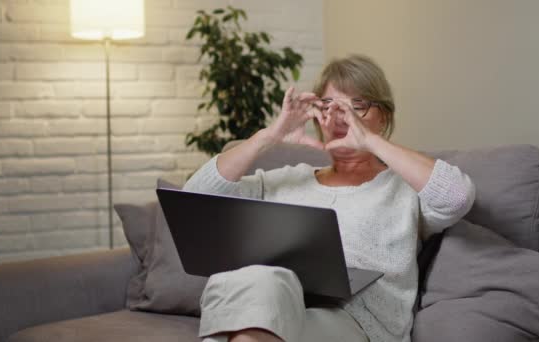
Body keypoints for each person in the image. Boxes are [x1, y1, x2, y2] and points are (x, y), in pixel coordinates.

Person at [183, 55, 476, 342]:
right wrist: (269, 136)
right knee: (255, 283)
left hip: (359, 323)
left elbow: (457, 197)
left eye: (357, 106)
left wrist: (371, 141)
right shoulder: (286, 179)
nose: (340, 117)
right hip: (274, 305)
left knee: (251, 321)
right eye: (329, 106)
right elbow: (192, 203)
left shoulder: (404, 188)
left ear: (383, 116)